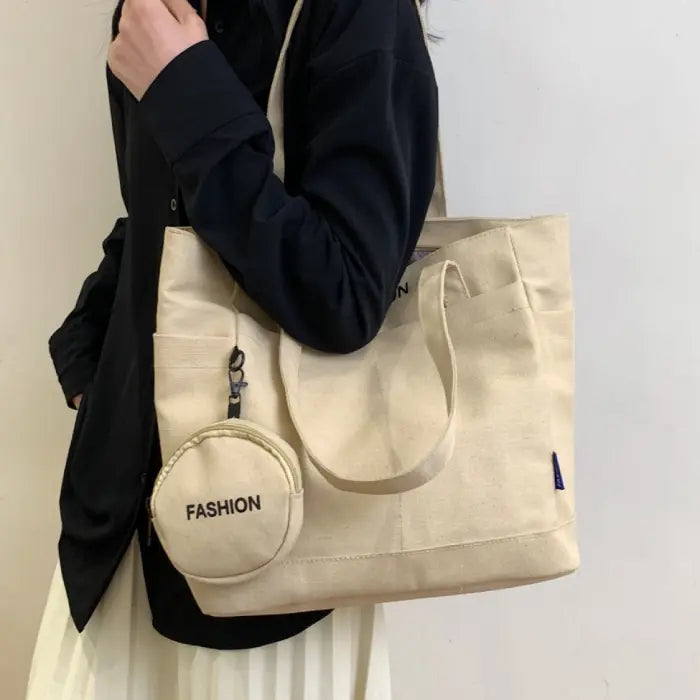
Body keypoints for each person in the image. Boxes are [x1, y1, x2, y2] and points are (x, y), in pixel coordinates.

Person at [26, 0, 439, 697]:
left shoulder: (361, 13)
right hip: (124, 518)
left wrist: (186, 89)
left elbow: (345, 293)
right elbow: (162, 215)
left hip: (271, 548)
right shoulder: (151, 5)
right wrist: (88, 350)